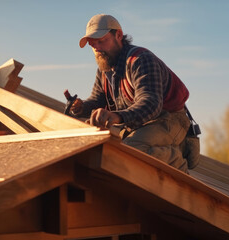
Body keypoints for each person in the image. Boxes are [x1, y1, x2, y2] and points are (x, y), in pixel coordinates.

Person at [70, 14, 198, 173]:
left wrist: (118, 117)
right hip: (140, 123)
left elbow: (151, 103)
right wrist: (81, 107)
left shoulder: (140, 59)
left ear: (118, 35)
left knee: (129, 152)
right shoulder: (104, 68)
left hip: (169, 119)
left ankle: (175, 160)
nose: (97, 48)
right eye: (92, 44)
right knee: (95, 142)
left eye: (101, 41)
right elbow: (97, 100)